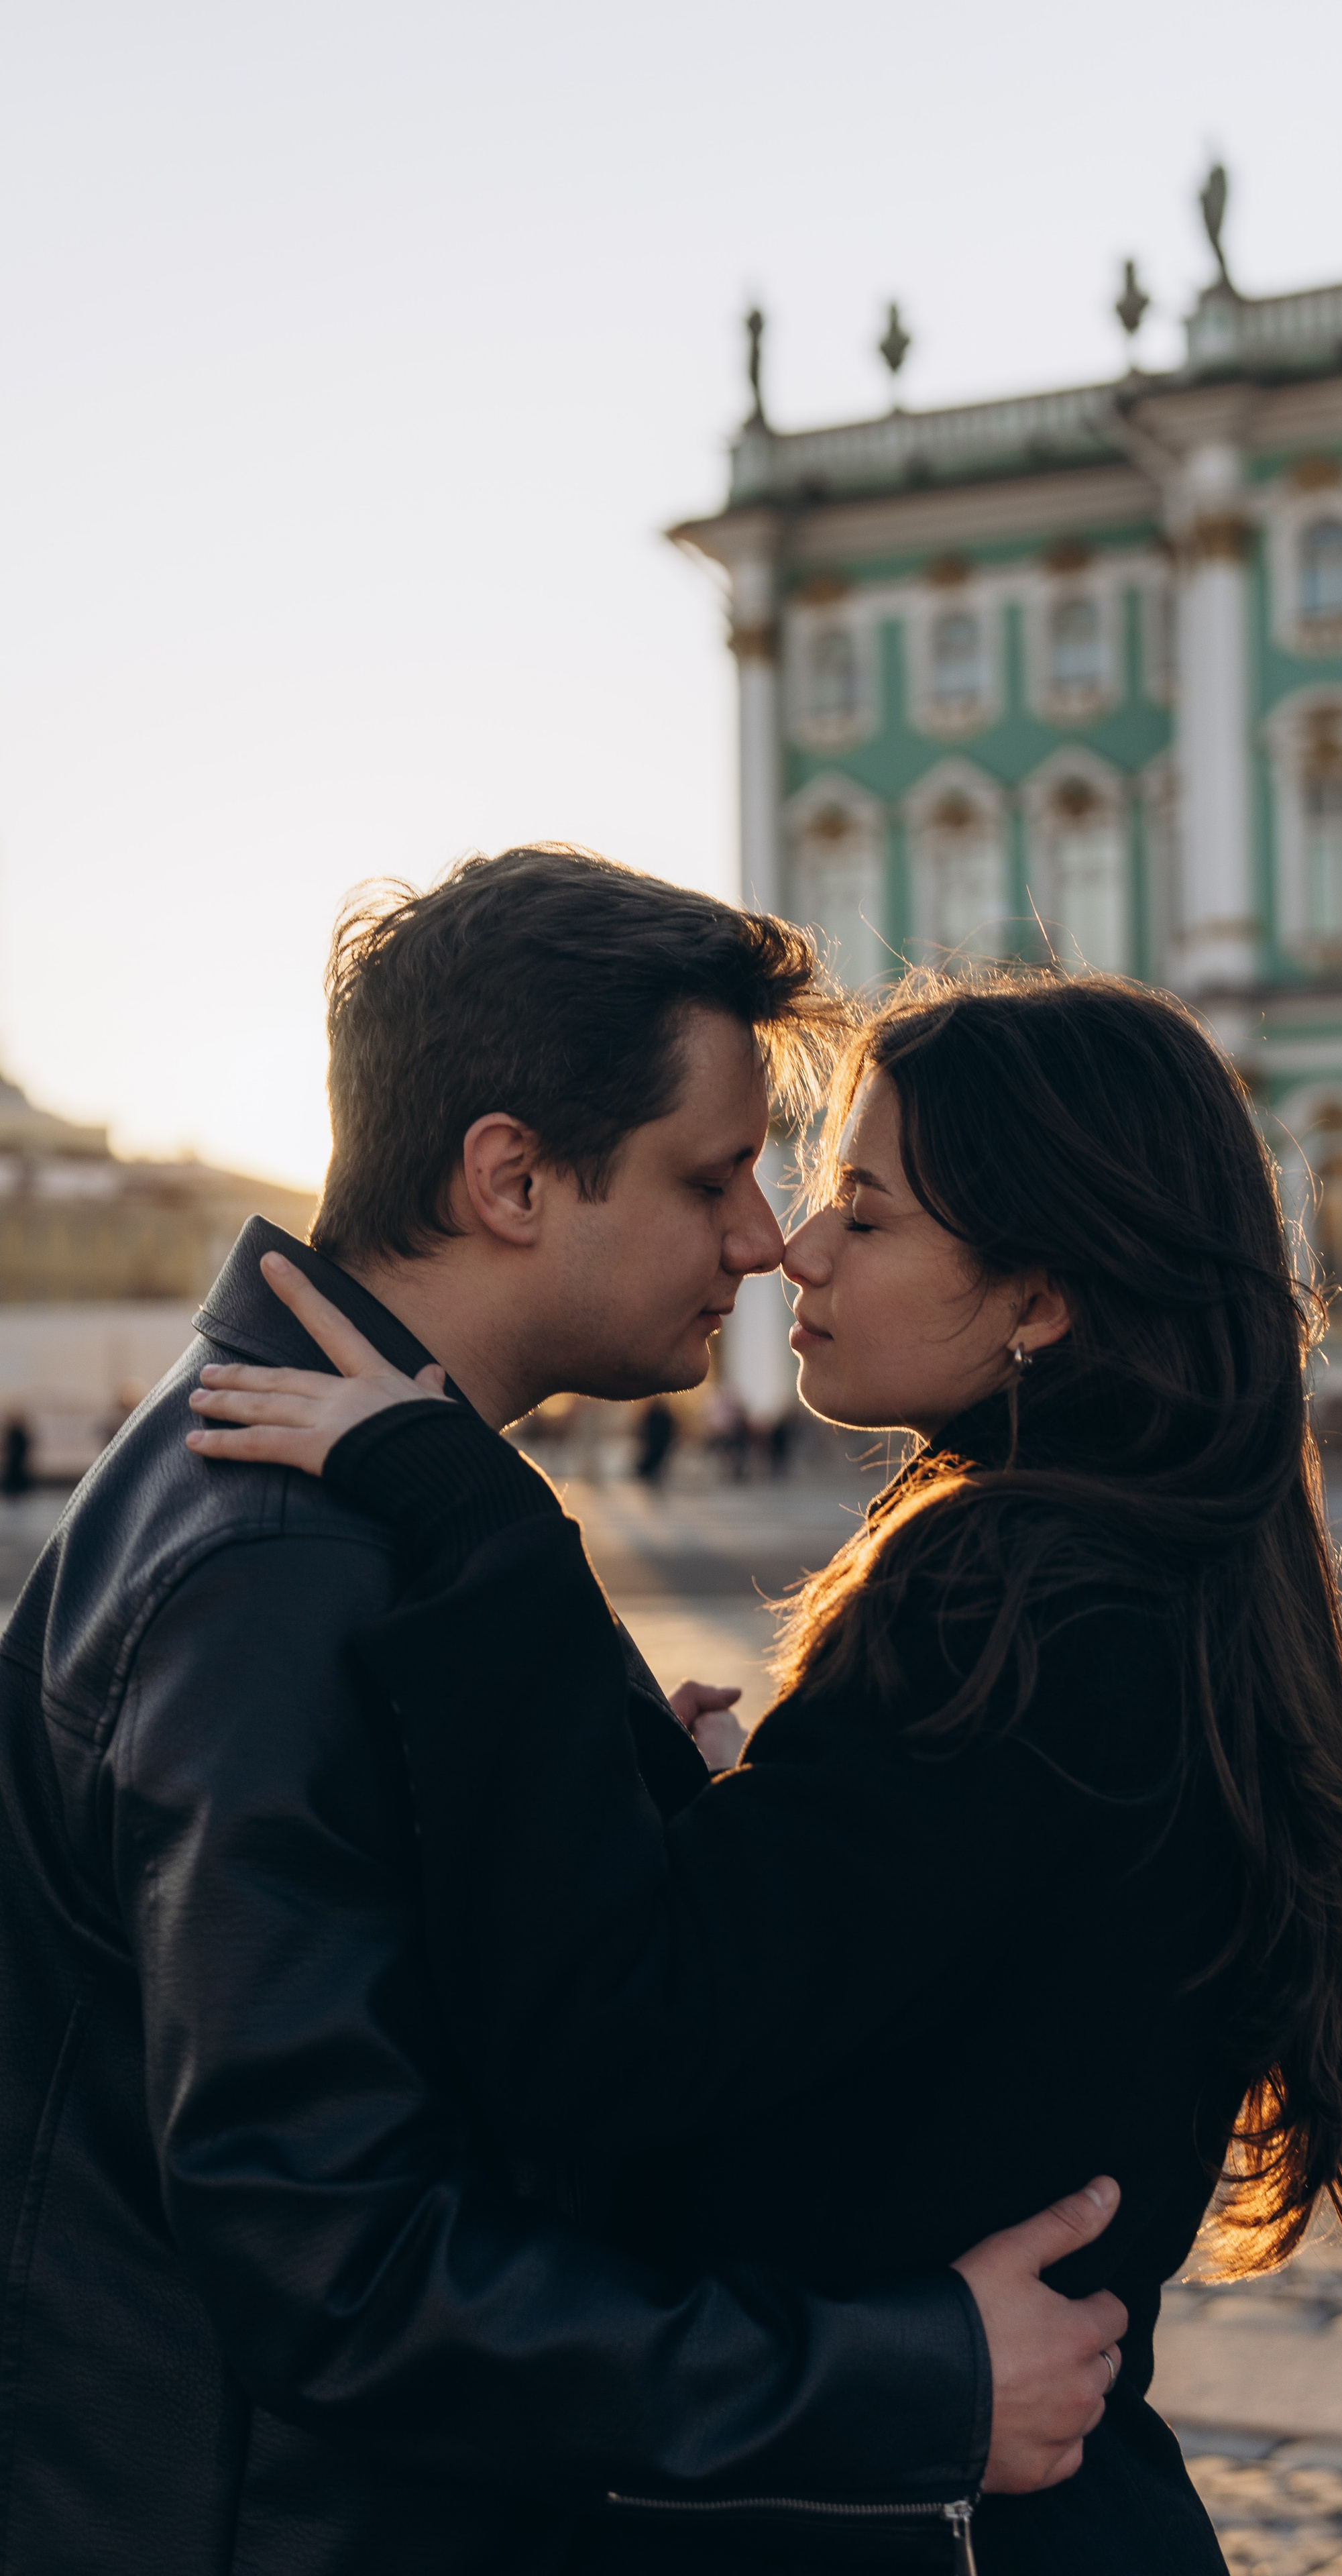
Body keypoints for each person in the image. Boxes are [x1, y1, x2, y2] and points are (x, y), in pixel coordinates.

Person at [192, 969, 1342, 2575]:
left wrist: (486, 1533)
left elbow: (613, 2039)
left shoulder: (1023, 1603)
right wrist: (718, 1823)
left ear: (1039, 1298)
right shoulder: (1144, 1571)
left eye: (866, 1208)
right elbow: (896, 1984)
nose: (793, 1246)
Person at [0, 852, 1123, 2576]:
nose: (765, 1238)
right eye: (711, 1175)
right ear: (512, 1176)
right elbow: (341, 2266)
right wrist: (899, 2377)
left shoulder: (369, 1492)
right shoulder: (283, 1565)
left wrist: (620, 1812)